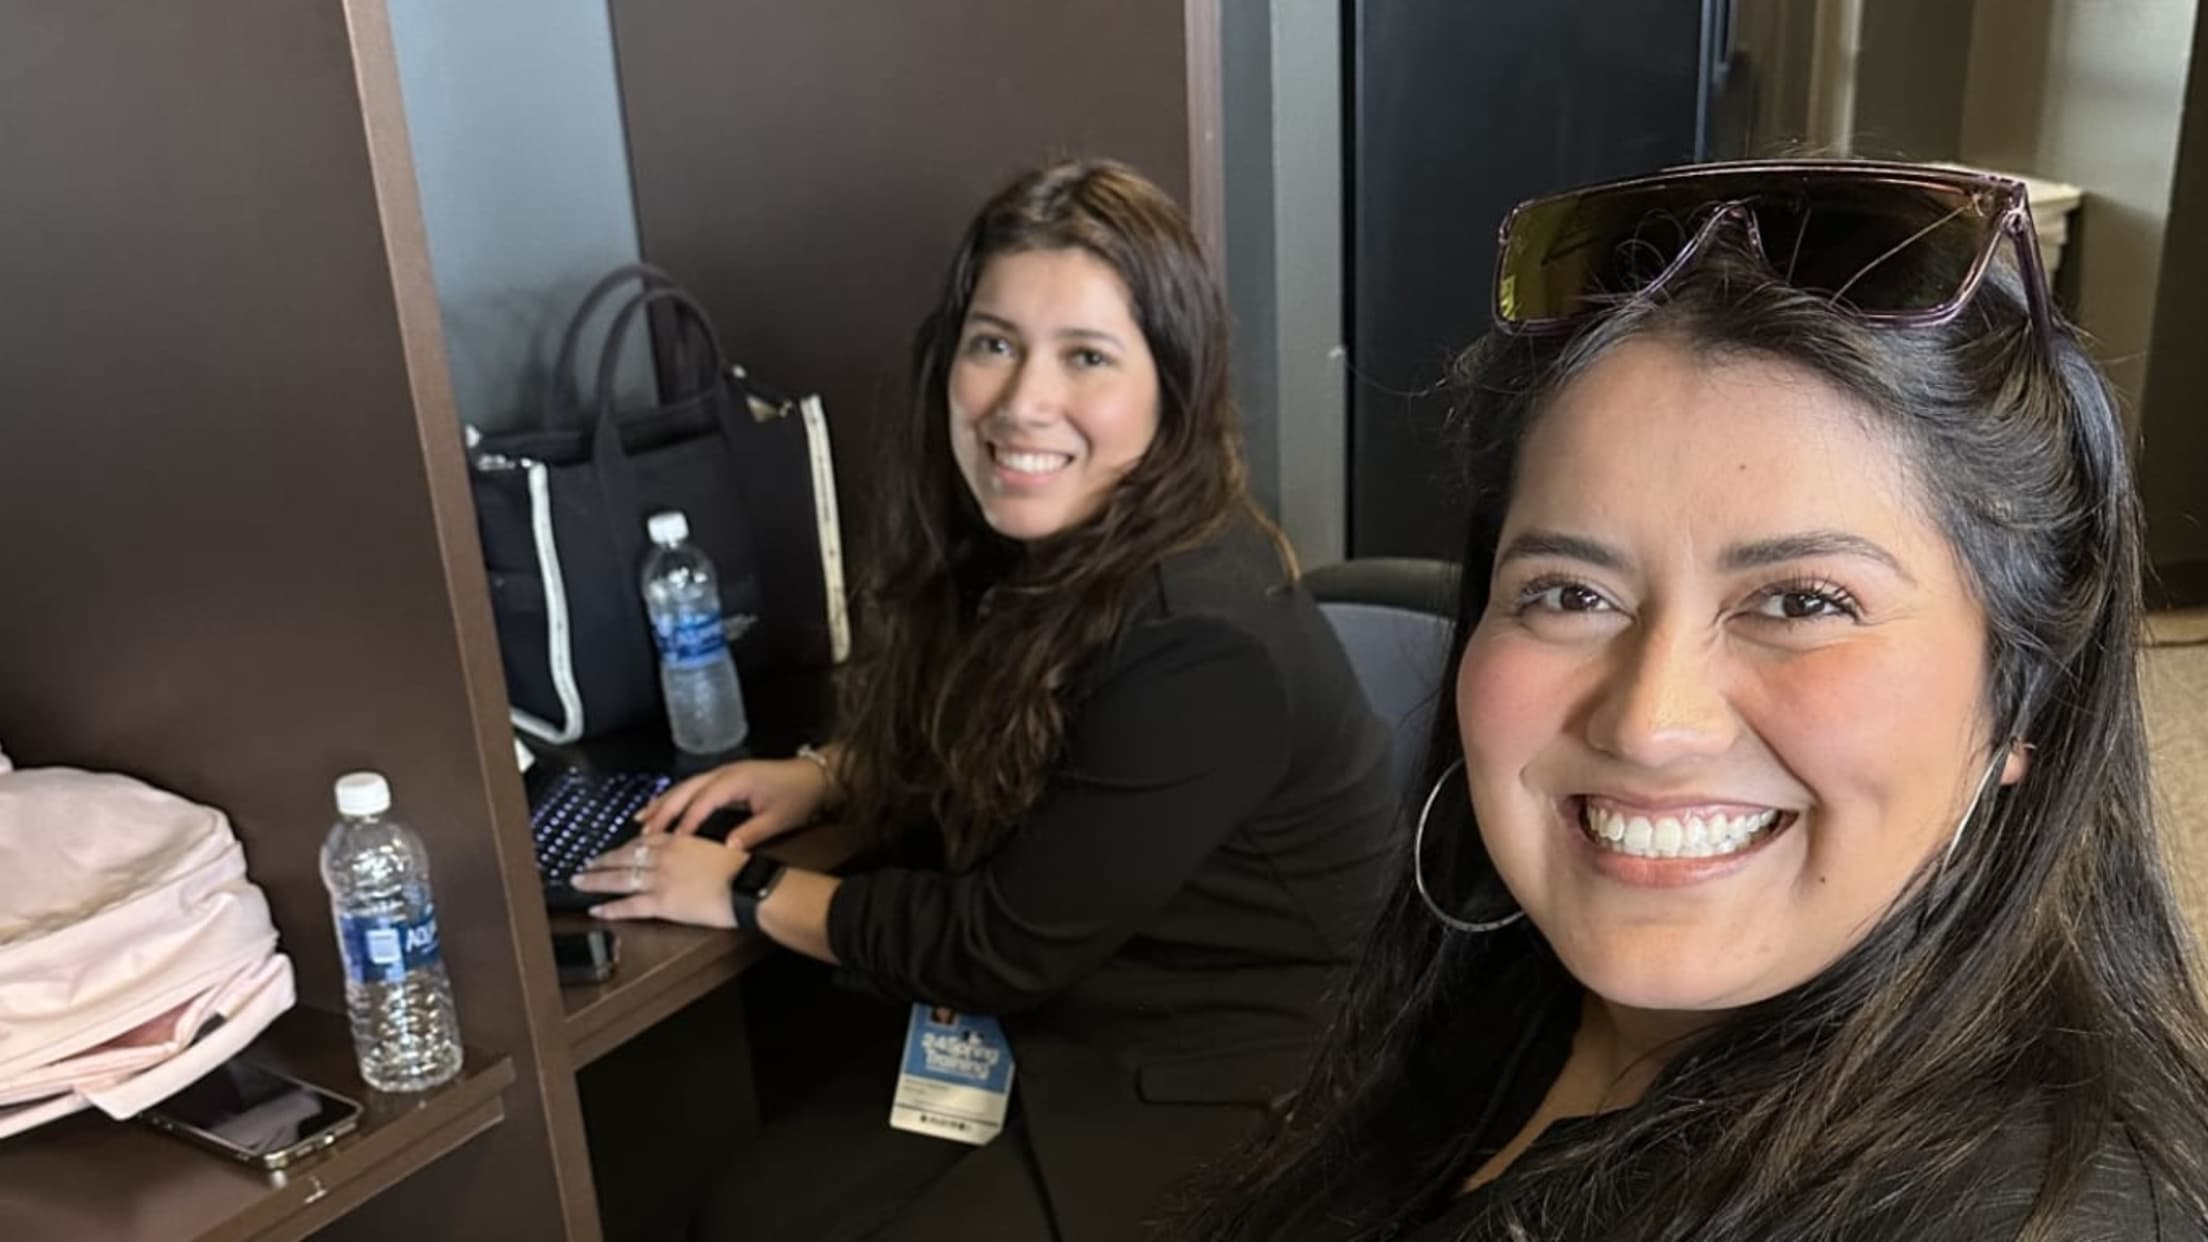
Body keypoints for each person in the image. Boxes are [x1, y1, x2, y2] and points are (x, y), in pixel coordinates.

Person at [1179, 161, 2208, 1240]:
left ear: (2025, 689)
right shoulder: (1507, 988)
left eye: (1804, 600)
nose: (1648, 722)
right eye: (1570, 592)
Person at [572, 159, 1399, 1240]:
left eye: (1087, 357)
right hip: (1079, 1011)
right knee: (754, 1214)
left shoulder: (1203, 637)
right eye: (995, 343)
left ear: (1173, 386)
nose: (1021, 403)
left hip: (1229, 1073)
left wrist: (741, 888)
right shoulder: (1046, 541)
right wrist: (833, 774)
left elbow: (999, 945)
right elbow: (1040, 746)